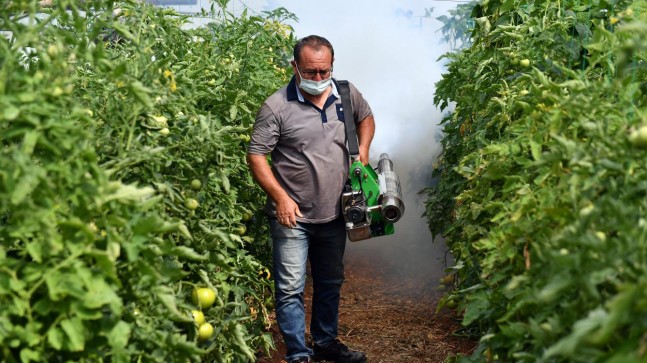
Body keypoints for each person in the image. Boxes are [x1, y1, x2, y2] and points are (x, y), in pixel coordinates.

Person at [247, 35, 375, 363]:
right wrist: (279, 197)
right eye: (311, 72)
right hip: (293, 216)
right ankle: (298, 354)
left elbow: (366, 117)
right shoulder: (276, 107)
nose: (319, 79)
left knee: (330, 282)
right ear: (294, 67)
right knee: (290, 288)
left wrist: (362, 150)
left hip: (335, 212)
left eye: (324, 71)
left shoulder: (346, 94)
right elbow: (257, 155)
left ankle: (325, 344)